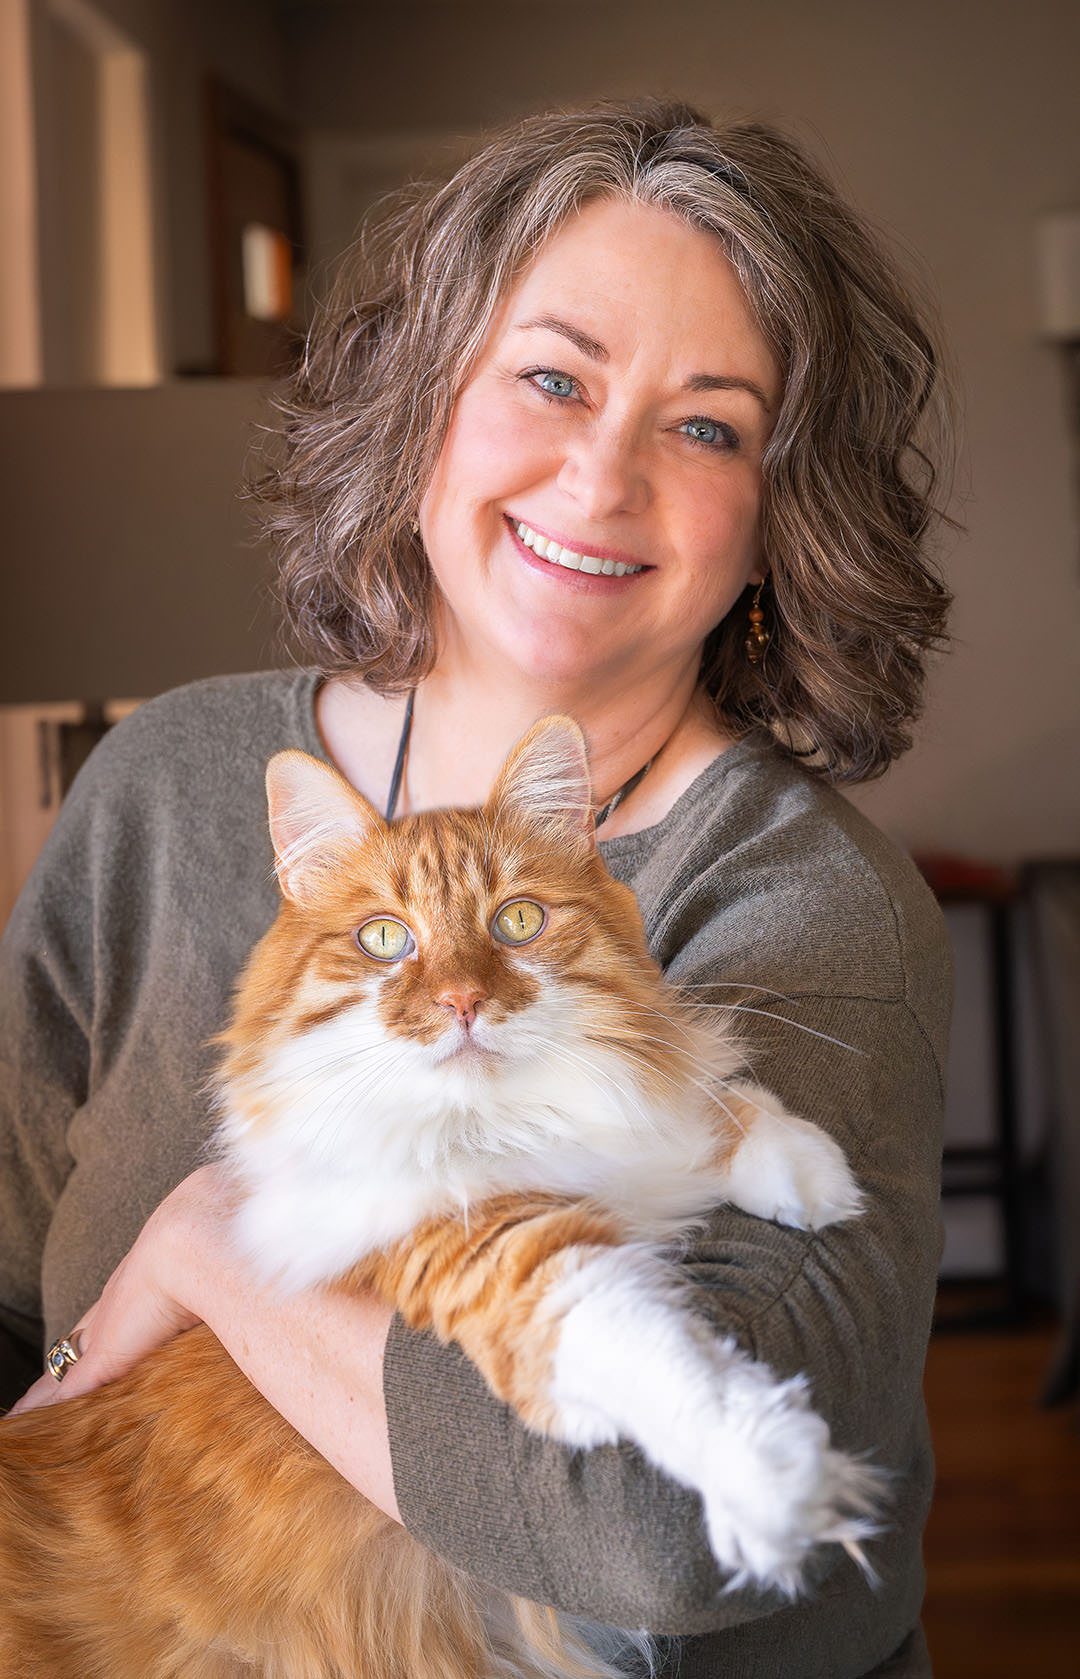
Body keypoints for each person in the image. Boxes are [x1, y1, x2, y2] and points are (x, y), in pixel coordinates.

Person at [0, 99, 953, 1677]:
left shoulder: (808, 908)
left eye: (706, 426)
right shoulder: (166, 784)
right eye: (553, 379)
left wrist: (216, 1256)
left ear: (779, 522)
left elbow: (656, 1534)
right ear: (426, 398)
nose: (602, 475)